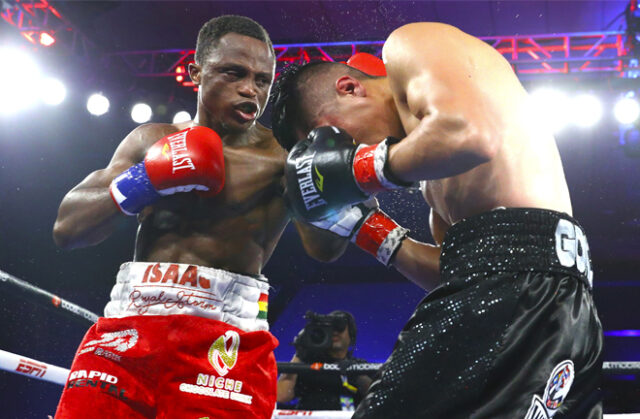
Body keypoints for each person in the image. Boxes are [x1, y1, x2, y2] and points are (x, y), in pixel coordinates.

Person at [270, 22, 603, 418]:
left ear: (349, 87)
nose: (345, 152)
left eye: (336, 139)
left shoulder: (410, 43)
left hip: (522, 291)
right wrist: (363, 227)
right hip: (544, 301)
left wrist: (357, 169)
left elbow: (471, 135)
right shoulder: (435, 187)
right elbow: (457, 274)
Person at [52, 15, 341, 419]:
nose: (249, 90)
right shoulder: (152, 140)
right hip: (129, 329)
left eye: (262, 80)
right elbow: (68, 228)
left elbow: (324, 248)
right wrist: (145, 181)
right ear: (196, 72)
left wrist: (342, 187)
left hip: (223, 343)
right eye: (234, 73)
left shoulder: (284, 158)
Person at [276, 310, 373, 411]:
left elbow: (376, 397)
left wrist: (355, 373)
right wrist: (300, 353)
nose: (335, 332)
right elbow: (281, 395)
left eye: (339, 326)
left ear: (351, 335)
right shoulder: (308, 365)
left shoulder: (359, 366)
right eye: (331, 327)